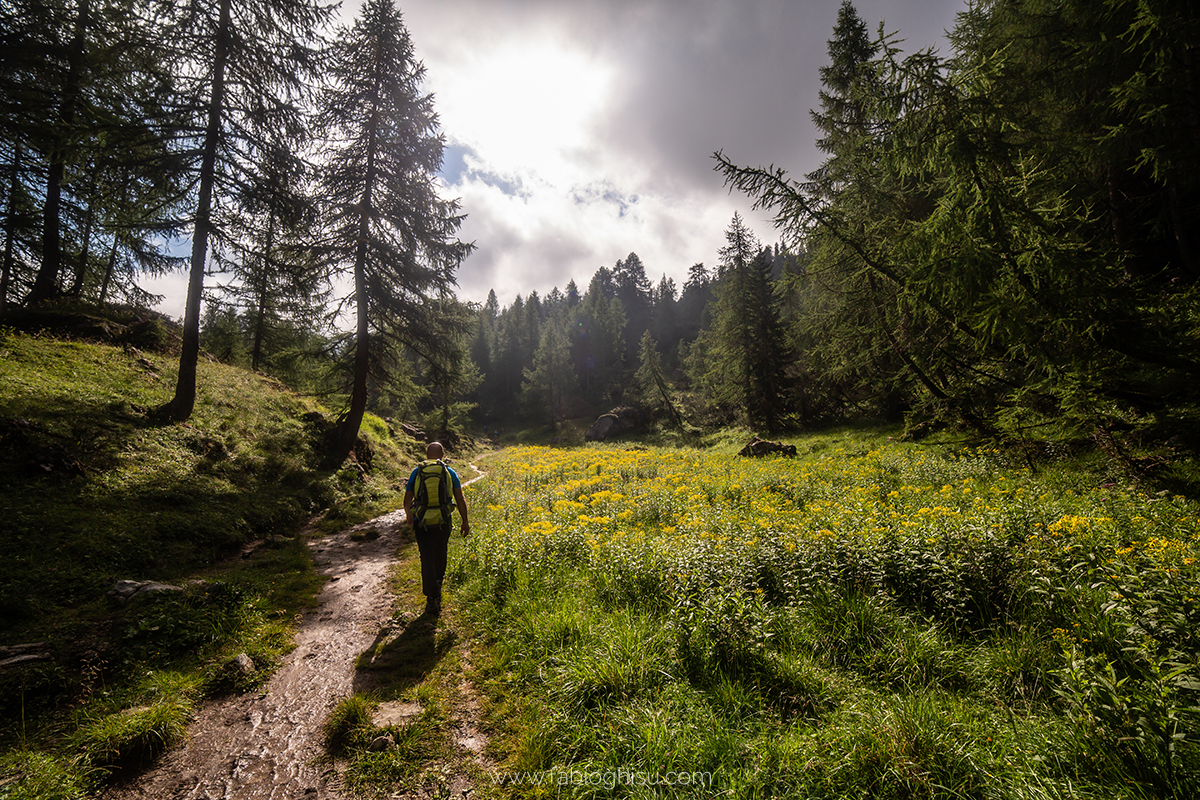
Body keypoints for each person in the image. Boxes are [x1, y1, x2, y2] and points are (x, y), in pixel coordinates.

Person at [403, 442, 470, 615]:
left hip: (421, 521)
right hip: (443, 520)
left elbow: (408, 498)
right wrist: (465, 521)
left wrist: (409, 515)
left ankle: (430, 596)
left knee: (426, 556)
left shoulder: (417, 471)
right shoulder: (449, 472)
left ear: (426, 454)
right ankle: (438, 586)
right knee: (440, 552)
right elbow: (460, 499)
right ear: (442, 454)